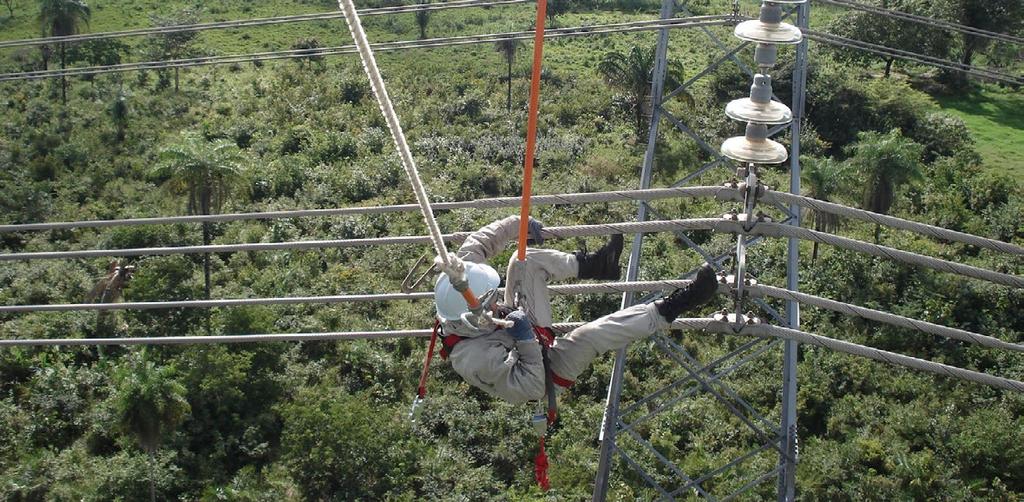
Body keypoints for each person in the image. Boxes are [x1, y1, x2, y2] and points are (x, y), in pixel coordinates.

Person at [433, 215, 719, 404]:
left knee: (522, 261)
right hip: (543, 372)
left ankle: (596, 265)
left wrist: (517, 224)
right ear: (472, 319)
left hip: (518, 330)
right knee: (592, 335)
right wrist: (523, 338)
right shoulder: (473, 360)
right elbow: (530, 387)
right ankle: (677, 305)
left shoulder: (460, 279)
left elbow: (479, 242)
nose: (495, 301)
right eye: (490, 303)